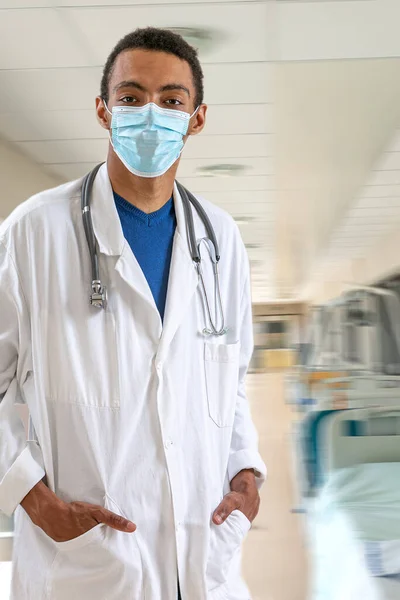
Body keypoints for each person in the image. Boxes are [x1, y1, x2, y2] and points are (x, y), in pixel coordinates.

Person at [0, 27, 266, 600]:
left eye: (171, 100)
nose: (151, 114)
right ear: (103, 110)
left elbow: (230, 378)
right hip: (86, 563)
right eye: (131, 97)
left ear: (196, 118)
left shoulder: (220, 238)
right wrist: (33, 498)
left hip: (202, 554)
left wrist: (247, 474)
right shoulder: (33, 232)